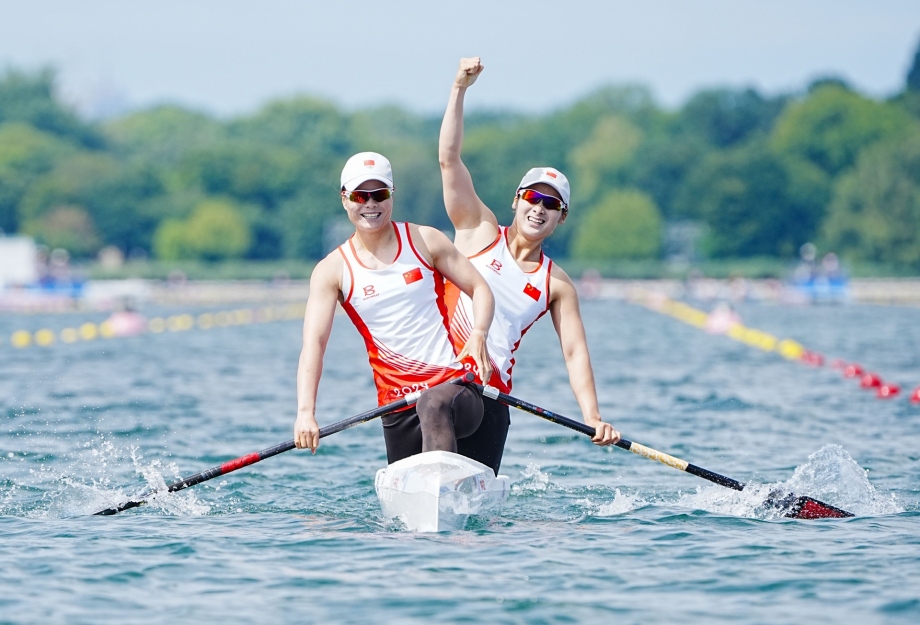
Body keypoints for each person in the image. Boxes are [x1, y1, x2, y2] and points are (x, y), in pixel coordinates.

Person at [438, 57, 621, 471]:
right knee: (439, 414)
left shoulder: (557, 284)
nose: (539, 209)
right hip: (436, 386)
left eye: (551, 204)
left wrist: (592, 416)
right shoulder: (478, 231)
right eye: (533, 199)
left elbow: (574, 352)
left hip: (492, 397)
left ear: (562, 217)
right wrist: (458, 89)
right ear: (516, 201)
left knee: (478, 526)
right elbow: (449, 161)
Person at [293, 152, 496, 468]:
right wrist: (306, 412)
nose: (370, 204)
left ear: (392, 195)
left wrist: (479, 334)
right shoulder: (331, 270)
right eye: (361, 195)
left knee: (432, 403)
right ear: (345, 199)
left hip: (455, 391)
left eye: (380, 194)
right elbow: (314, 345)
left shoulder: (426, 240)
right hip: (396, 406)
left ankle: (441, 485)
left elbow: (480, 288)